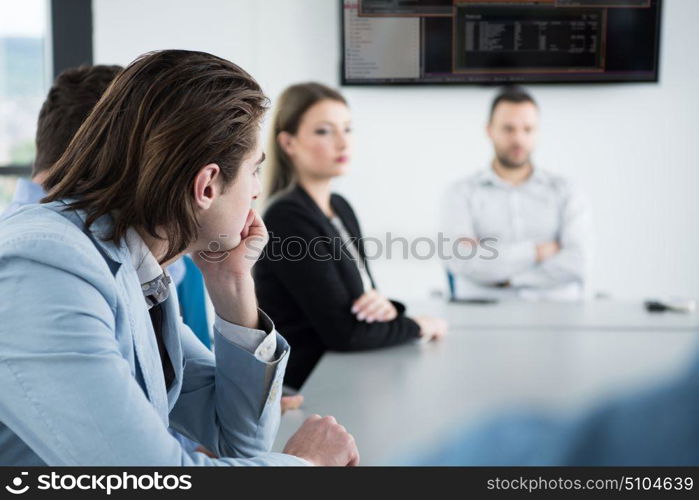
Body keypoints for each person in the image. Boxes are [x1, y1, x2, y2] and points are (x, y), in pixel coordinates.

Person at [0, 50, 357, 466]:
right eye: (253, 170)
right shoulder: (48, 267)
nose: (257, 191)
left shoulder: (138, 267)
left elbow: (238, 440)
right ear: (206, 186)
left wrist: (233, 284)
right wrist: (308, 467)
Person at [255, 82, 447, 390]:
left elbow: (362, 300)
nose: (343, 143)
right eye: (324, 131)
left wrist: (388, 307)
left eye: (348, 129)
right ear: (288, 143)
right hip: (310, 384)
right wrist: (417, 326)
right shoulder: (287, 218)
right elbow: (346, 333)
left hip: (347, 371)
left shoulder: (339, 207)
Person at [442, 86, 592, 301]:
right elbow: (462, 262)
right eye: (508, 129)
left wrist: (508, 279)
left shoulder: (566, 191)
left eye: (528, 129)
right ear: (490, 130)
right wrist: (537, 253)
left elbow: (578, 262)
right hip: (483, 316)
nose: (518, 139)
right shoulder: (460, 193)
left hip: (558, 315)